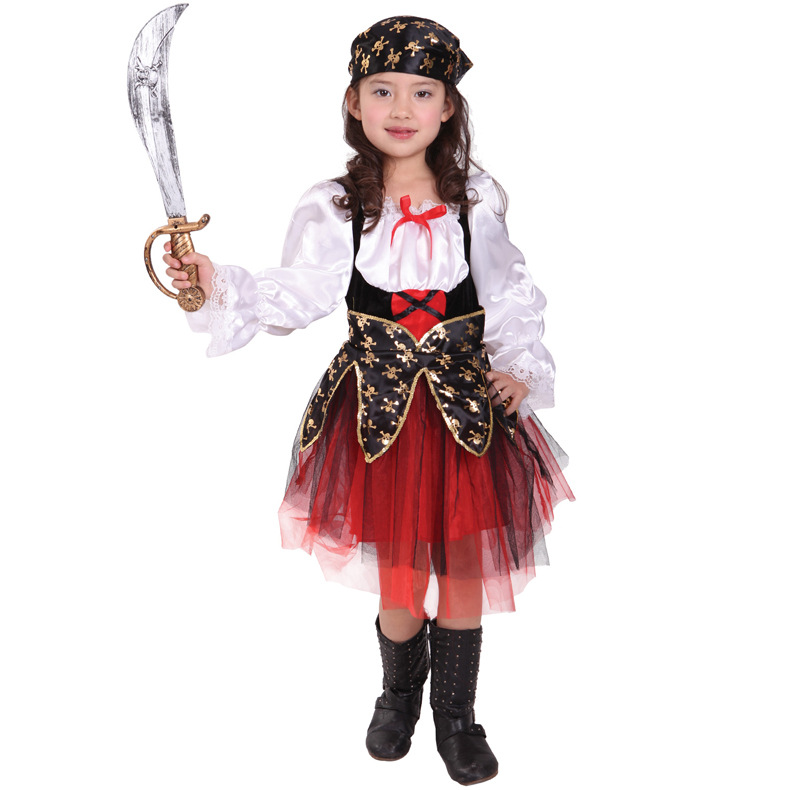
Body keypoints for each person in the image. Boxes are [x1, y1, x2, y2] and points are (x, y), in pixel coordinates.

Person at [164, 16, 573, 786]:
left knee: (463, 567)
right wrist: (216, 284)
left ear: (448, 107)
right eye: (382, 91)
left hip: (463, 410)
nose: (402, 108)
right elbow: (298, 294)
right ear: (353, 102)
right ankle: (398, 694)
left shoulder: (474, 198)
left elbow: (509, 287)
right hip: (378, 412)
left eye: (422, 92)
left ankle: (457, 715)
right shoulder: (336, 205)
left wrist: (520, 366)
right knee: (398, 573)